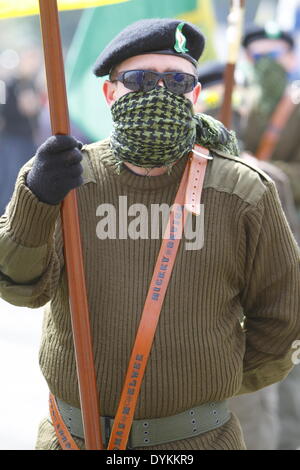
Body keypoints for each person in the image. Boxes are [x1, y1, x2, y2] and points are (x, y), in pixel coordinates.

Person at [0, 19, 299, 451]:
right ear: (110, 92)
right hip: (73, 439)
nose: (160, 92)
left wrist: (210, 379)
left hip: (198, 442)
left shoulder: (244, 191)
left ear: (195, 95)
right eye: (139, 79)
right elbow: (19, 288)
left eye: (178, 80)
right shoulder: (64, 176)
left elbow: (284, 320)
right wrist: (36, 199)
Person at [241, 23, 300, 217]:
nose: (266, 64)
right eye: (259, 56)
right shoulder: (234, 105)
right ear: (248, 59)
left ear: (292, 58)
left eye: (274, 55)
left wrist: (260, 170)